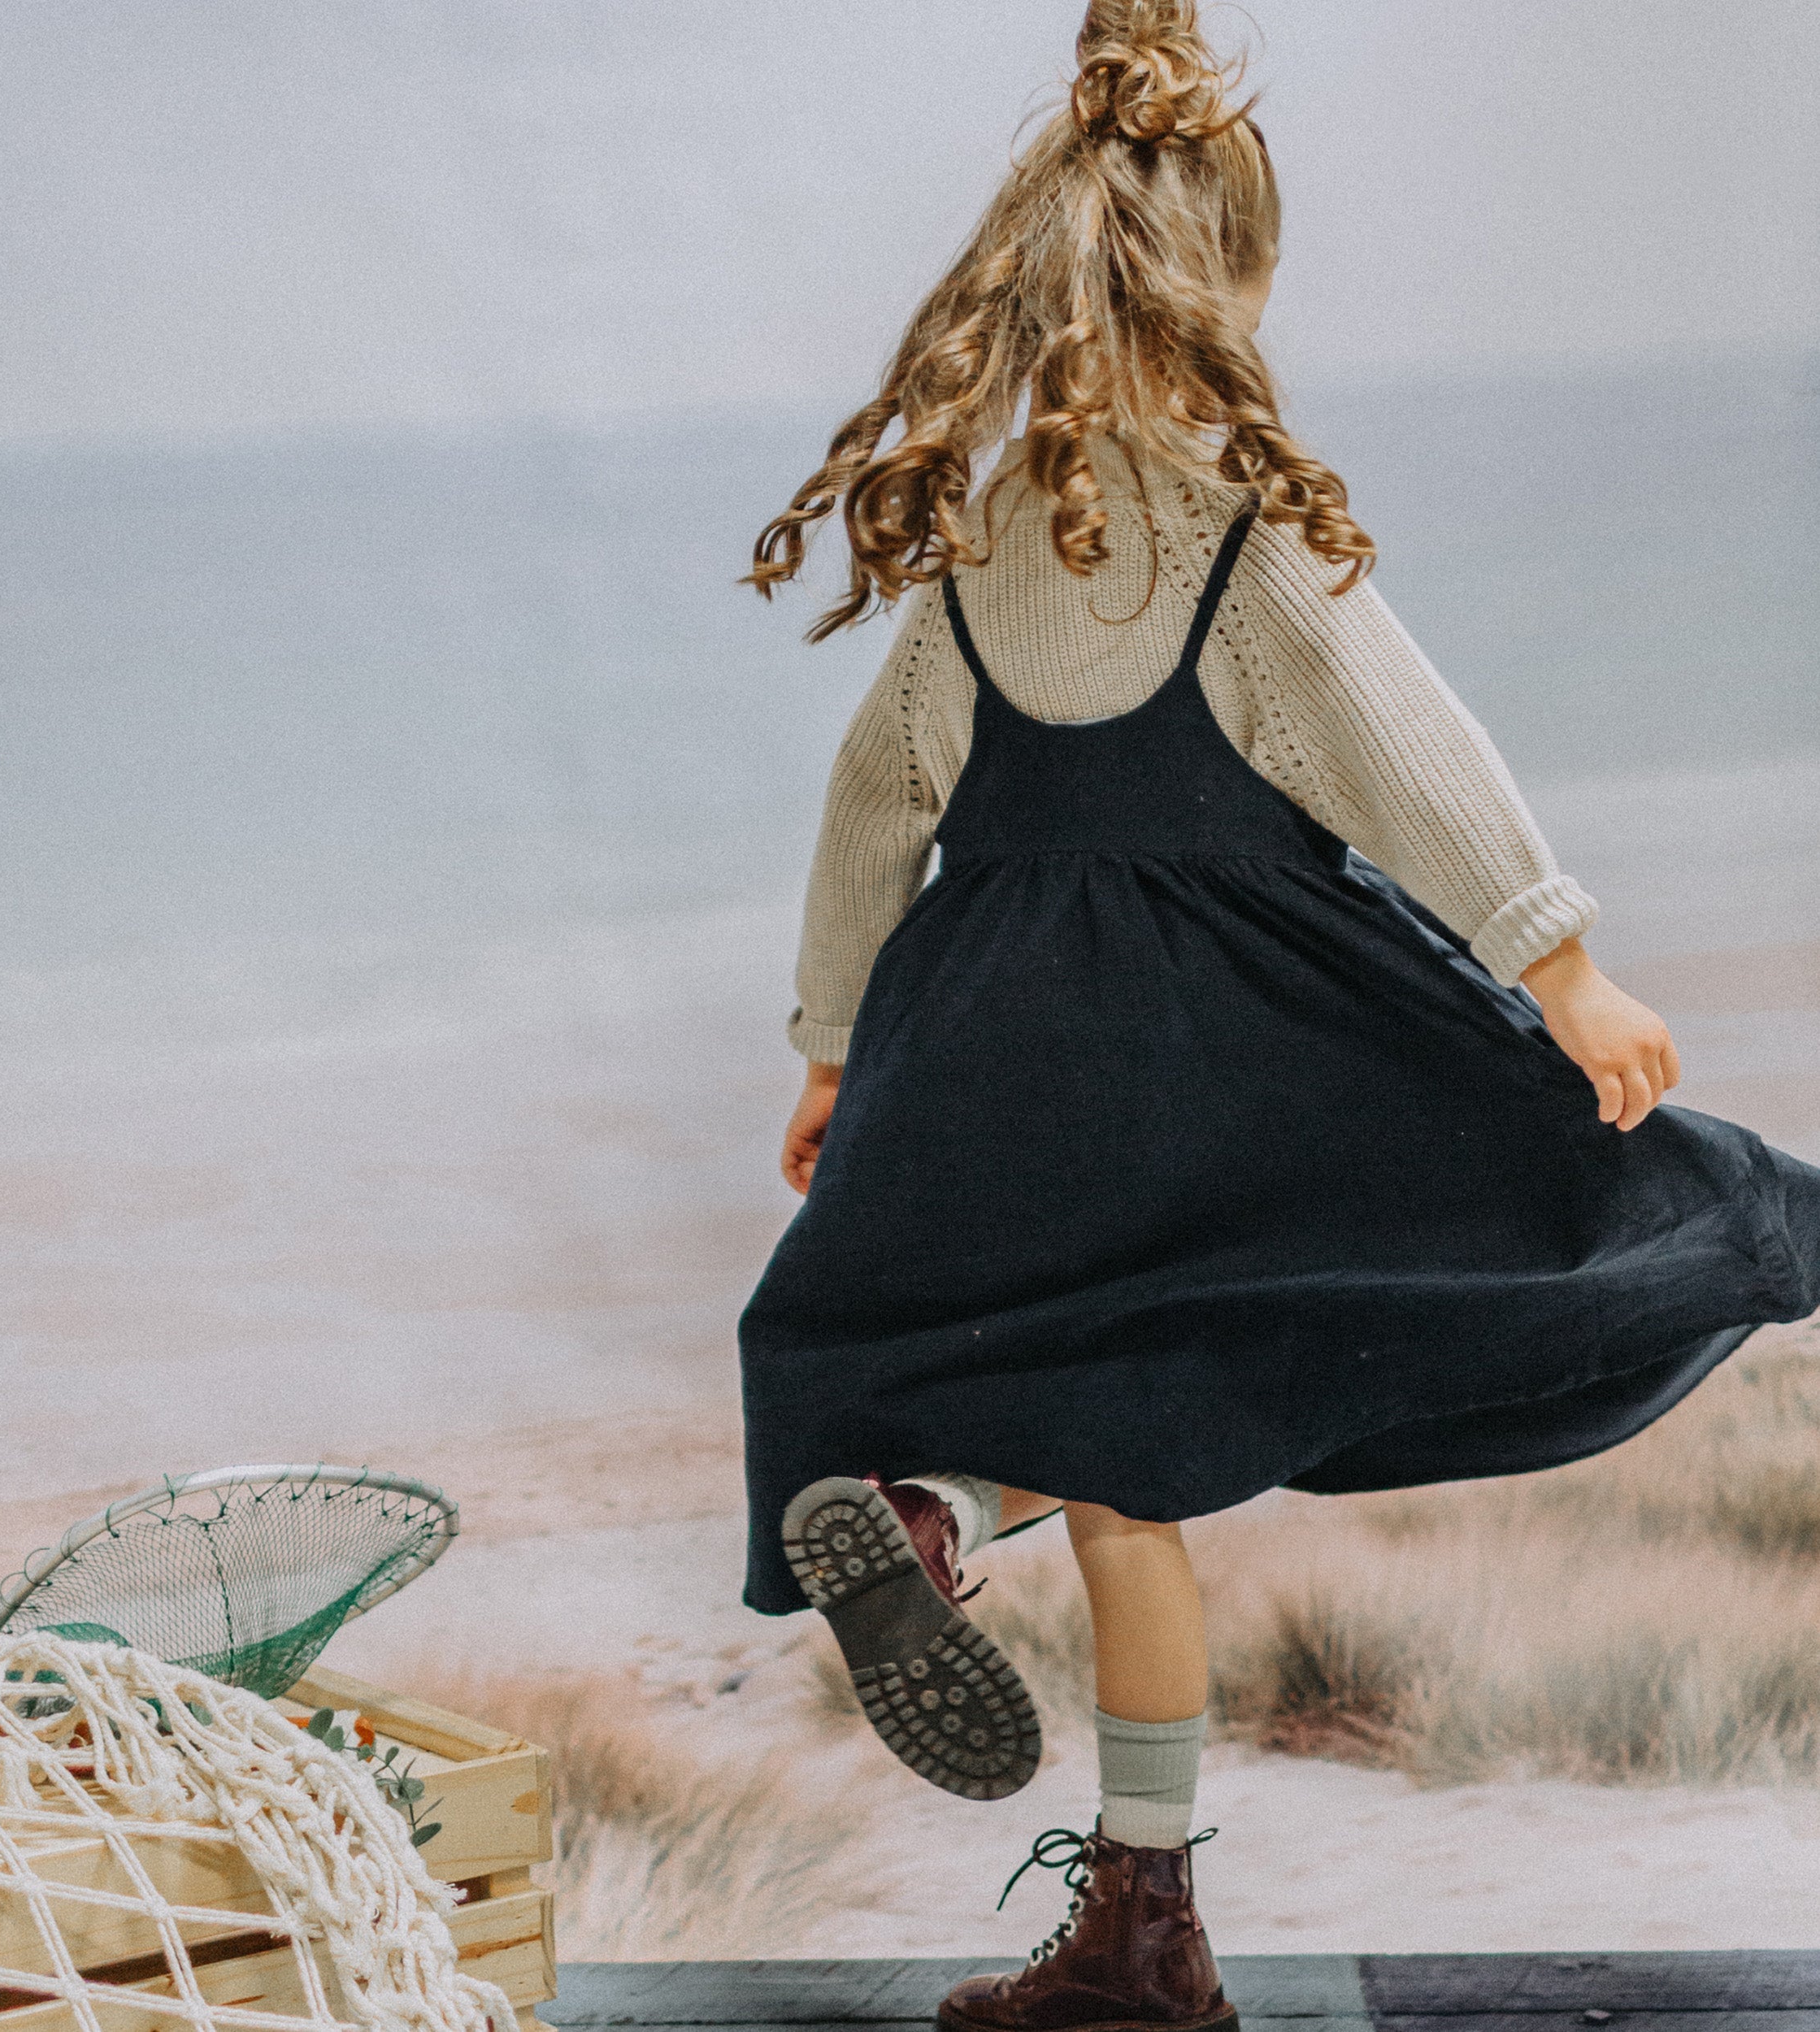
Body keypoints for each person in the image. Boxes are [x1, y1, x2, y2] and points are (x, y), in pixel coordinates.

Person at [736, 6, 1820, 2030]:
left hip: (982, 1048)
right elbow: (1402, 748)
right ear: (1223, 282)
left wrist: (825, 1048)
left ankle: (941, 1530)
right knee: (1379, 1314)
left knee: (1076, 1433)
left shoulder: (968, 554)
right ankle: (1136, 1916)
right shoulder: (1241, 545)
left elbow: (871, 804)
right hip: (1211, 1058)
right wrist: (1556, 961)